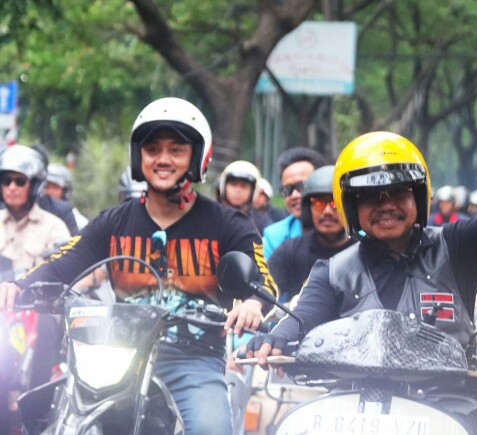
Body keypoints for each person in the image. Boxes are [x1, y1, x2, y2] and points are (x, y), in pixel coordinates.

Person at [247, 74, 477, 433]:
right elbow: (302, 317)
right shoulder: (333, 271)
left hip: (446, 409)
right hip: (352, 413)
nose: (386, 206)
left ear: (419, 197)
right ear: (351, 207)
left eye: (398, 193)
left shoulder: (457, 247)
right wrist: (274, 336)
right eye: (371, 197)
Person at [0, 97, 277, 434]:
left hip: (192, 359)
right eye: (152, 149)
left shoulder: (228, 223)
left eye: (176, 149)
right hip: (116, 357)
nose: (163, 159)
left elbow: (264, 281)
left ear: (196, 156)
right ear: (138, 156)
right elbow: (64, 262)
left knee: (212, 428)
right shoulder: (112, 222)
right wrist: (18, 286)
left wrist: (252, 302)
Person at [0, 145, 71, 395]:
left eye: (20, 181)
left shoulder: (54, 227)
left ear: (35, 184)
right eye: (5, 180)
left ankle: (37, 404)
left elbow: (71, 267)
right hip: (1, 315)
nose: (11, 187)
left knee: (46, 325)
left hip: (36, 318)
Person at [268, 165, 357, 303]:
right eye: (318, 202)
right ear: (307, 208)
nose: (327, 211)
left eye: (334, 203)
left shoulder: (364, 251)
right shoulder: (291, 250)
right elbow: (269, 285)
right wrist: (255, 303)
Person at [261, 147, 326, 259]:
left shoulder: (352, 232)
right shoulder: (274, 238)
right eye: (287, 189)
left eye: (302, 186)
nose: (294, 195)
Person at [219, 160, 272, 234]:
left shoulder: (261, 222)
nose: (237, 190)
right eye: (233, 184)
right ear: (224, 186)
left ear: (253, 191)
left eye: (243, 186)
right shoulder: (212, 215)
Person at [44, 163, 89, 229]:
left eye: (55, 187)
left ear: (65, 191)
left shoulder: (79, 222)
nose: (49, 192)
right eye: (46, 187)